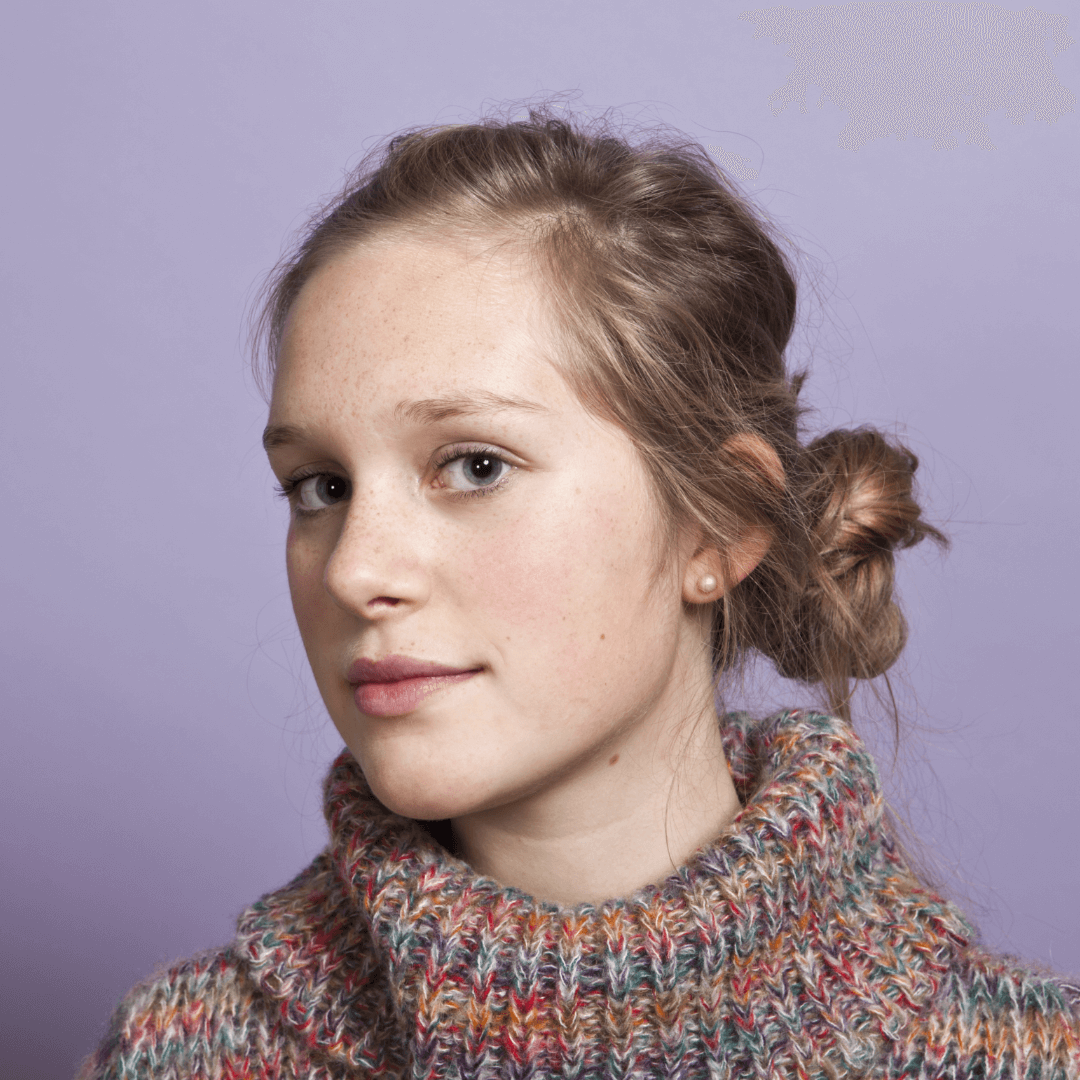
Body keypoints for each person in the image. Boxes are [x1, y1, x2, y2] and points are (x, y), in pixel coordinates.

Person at [76, 106, 1080, 1080]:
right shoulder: (174, 1057)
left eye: (474, 466)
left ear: (720, 522)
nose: (354, 570)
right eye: (320, 487)